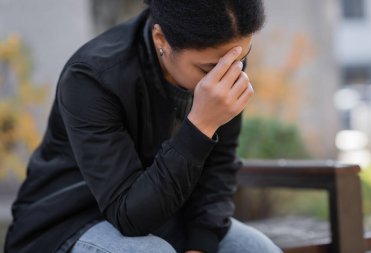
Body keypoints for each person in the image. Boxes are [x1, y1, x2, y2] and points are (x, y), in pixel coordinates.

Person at [5, 0, 282, 252]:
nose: (228, 78)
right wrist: (200, 125)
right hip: (69, 224)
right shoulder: (92, 77)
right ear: (160, 38)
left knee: (258, 249)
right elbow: (130, 217)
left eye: (240, 59)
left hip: (168, 217)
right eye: (209, 70)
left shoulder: (224, 63)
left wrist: (201, 246)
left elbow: (219, 170)